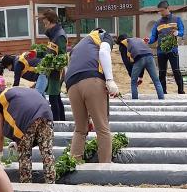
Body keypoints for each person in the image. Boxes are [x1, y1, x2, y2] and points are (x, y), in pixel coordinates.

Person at [0, 82, 55, 184]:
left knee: (25, 155)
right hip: (46, 112)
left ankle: (26, 186)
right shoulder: (12, 92)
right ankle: (51, 183)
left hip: (28, 118)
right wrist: (17, 141)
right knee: (47, 153)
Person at [65, 28, 118, 163]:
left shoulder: (79, 46)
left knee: (80, 129)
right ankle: (105, 171)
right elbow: (104, 52)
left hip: (71, 84)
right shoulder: (103, 35)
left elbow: (68, 67)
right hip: (92, 80)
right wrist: (110, 80)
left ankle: (73, 165)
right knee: (102, 128)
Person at [148, 0, 186, 95]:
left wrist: (178, 33)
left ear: (167, 8)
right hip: (161, 51)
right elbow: (153, 37)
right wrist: (148, 40)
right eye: (159, 11)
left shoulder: (177, 19)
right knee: (162, 72)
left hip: (172, 50)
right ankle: (163, 92)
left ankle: (181, 91)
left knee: (176, 71)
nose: (160, 13)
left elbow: (182, 31)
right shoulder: (157, 23)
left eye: (162, 11)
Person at [117, 34, 164, 100]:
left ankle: (135, 101)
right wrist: (140, 76)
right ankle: (162, 100)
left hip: (139, 58)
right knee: (156, 81)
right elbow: (143, 58)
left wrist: (133, 76)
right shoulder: (137, 39)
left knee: (133, 82)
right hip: (150, 56)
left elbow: (127, 63)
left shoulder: (123, 44)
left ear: (120, 41)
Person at [39, 9, 67, 121]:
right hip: (52, 70)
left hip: (57, 71)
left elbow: (62, 57)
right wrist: (37, 53)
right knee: (56, 97)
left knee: (53, 98)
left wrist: (50, 64)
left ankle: (58, 123)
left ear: (51, 22)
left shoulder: (59, 36)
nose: (45, 26)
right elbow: (50, 52)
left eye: (45, 23)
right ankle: (61, 121)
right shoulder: (54, 35)